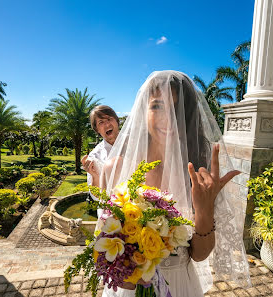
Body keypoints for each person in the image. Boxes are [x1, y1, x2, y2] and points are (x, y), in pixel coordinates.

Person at [100, 71, 251, 297]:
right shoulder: (115, 169)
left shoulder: (198, 173)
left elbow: (199, 255)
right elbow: (103, 243)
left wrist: (204, 209)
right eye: (158, 106)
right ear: (143, 111)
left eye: (177, 108)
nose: (169, 117)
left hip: (182, 285)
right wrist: (130, 276)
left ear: (188, 114)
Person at [82, 105, 120, 217]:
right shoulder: (95, 155)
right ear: (97, 130)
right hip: (110, 215)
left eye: (109, 119)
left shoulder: (136, 143)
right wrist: (94, 176)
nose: (107, 124)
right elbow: (96, 196)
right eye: (101, 122)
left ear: (117, 121)